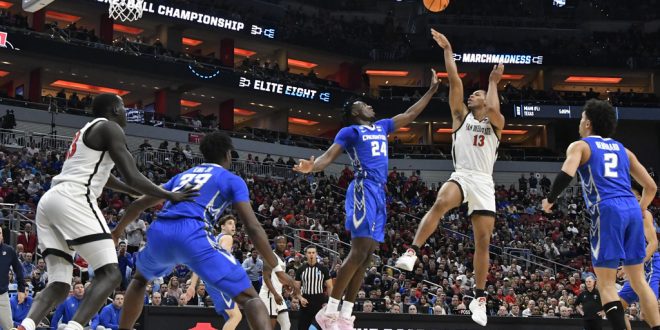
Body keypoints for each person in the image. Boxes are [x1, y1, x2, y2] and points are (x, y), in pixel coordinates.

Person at [17, 93, 196, 330]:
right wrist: (169, 195)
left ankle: (26, 326)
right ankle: (74, 328)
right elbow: (132, 175)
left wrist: (128, 191)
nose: (126, 114)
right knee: (111, 274)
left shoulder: (87, 130)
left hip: (50, 201)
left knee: (59, 284)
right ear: (113, 109)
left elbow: (103, 175)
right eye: (123, 108)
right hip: (74, 197)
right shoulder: (111, 128)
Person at [294, 41, 439, 330]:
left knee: (369, 255)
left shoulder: (383, 126)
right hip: (362, 190)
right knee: (358, 251)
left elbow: (409, 115)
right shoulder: (350, 131)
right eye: (365, 104)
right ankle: (329, 311)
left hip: (379, 192)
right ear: (356, 111)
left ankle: (345, 315)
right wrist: (314, 167)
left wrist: (432, 91)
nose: (370, 105)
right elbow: (328, 157)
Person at [114, 132, 297, 330]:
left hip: (160, 231)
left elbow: (140, 203)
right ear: (228, 155)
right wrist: (277, 268)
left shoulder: (182, 176)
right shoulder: (231, 179)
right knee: (251, 299)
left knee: (140, 280)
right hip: (193, 233)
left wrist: (117, 231)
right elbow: (253, 227)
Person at [395, 29, 505, 327]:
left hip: (484, 181)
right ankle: (412, 252)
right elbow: (454, 80)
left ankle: (479, 299)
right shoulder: (460, 117)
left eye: (477, 93)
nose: (472, 94)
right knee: (441, 201)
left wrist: (493, 82)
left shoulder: (496, 123)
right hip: (463, 175)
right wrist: (448, 49)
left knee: (483, 241)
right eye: (473, 93)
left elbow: (494, 108)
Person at [541, 99, 660, 330]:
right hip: (631, 208)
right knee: (638, 280)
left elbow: (566, 174)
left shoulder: (581, 146)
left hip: (607, 209)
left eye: (581, 118)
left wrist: (550, 200)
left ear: (588, 122)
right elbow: (651, 187)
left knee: (605, 284)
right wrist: (640, 208)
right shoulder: (623, 150)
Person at [184, 215, 242, 330]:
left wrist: (192, 285)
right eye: (230, 223)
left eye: (234, 224)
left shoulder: (213, 240)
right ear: (222, 226)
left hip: (211, 282)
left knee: (229, 317)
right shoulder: (227, 237)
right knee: (236, 316)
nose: (233, 226)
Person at [617, 180, 660, 330]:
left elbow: (653, 243)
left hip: (649, 264)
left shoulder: (644, 214)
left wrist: (635, 265)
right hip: (634, 267)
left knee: (647, 314)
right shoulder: (623, 217)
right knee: (616, 308)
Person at [295, 246, 332, 330]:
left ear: (316, 254)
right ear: (306, 255)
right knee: (302, 326)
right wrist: (300, 298)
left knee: (318, 327)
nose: (311, 254)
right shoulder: (301, 269)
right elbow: (296, 288)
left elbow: (330, 286)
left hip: (319, 300)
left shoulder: (323, 269)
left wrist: (331, 303)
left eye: (313, 253)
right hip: (305, 300)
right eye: (309, 253)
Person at [260, 236, 291, 330]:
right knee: (269, 327)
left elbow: (279, 277)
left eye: (283, 242)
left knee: (286, 325)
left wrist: (286, 286)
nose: (282, 244)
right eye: (279, 242)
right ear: (274, 244)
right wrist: (275, 294)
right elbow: (266, 278)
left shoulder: (283, 258)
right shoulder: (270, 257)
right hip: (269, 295)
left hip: (278, 295)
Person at [0, 226, 25, 330]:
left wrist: (21, 290)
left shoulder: (9, 250)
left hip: (2, 295)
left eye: (0, 233)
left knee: (9, 327)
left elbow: (19, 270)